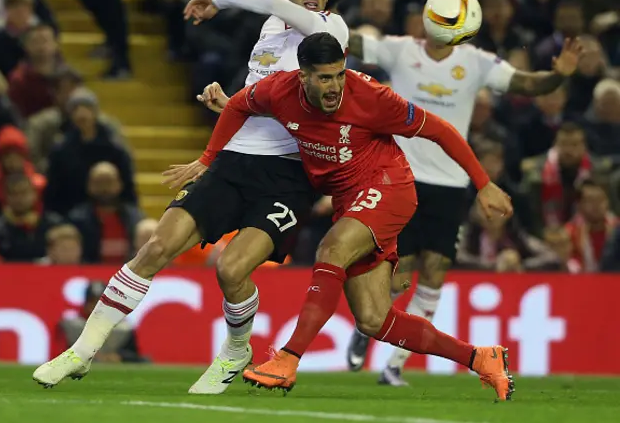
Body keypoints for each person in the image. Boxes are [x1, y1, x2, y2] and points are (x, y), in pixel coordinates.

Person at [32, 0, 351, 395]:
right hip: (236, 158)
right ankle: (81, 351)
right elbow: (268, 100)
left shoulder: (330, 28)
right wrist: (229, 107)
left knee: (231, 270)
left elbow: (306, 98)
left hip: (287, 174)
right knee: (157, 246)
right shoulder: (269, 30)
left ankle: (237, 348)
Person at [195, 32, 514, 401]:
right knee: (374, 318)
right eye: (324, 78)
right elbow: (239, 106)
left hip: (388, 187)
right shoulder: (277, 90)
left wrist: (484, 183)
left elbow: (441, 130)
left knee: (331, 250)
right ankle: (481, 358)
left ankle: (287, 358)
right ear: (303, 76)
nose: (334, 87)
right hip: (350, 201)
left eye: (340, 74)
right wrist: (207, 158)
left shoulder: (373, 98)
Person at [342, 3, 582, 385]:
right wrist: (315, 17)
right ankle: (367, 324)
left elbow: (527, 83)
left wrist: (557, 75)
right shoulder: (399, 49)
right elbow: (350, 41)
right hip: (400, 176)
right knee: (398, 274)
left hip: (451, 185)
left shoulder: (477, 62)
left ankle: (394, 365)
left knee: (435, 270)